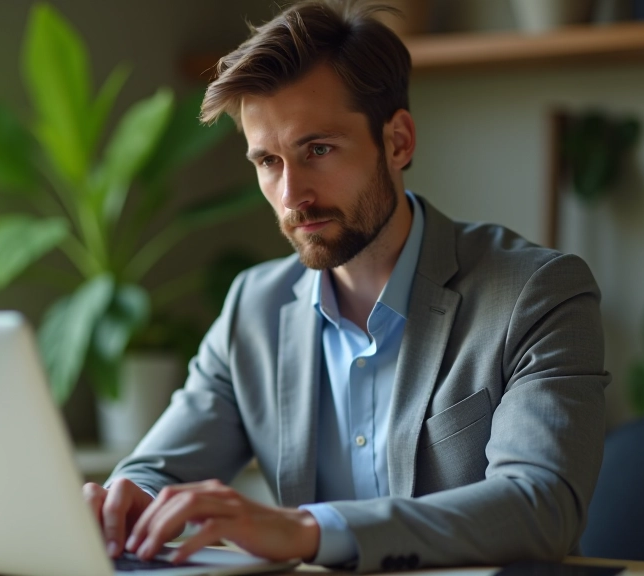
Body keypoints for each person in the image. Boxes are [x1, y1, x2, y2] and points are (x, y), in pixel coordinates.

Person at [83, 0, 609, 572]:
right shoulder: (252, 310)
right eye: (268, 162)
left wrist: (309, 530)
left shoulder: (537, 293)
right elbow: (157, 469)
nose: (291, 197)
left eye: (318, 150)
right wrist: (126, 499)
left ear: (399, 141)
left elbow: (541, 506)